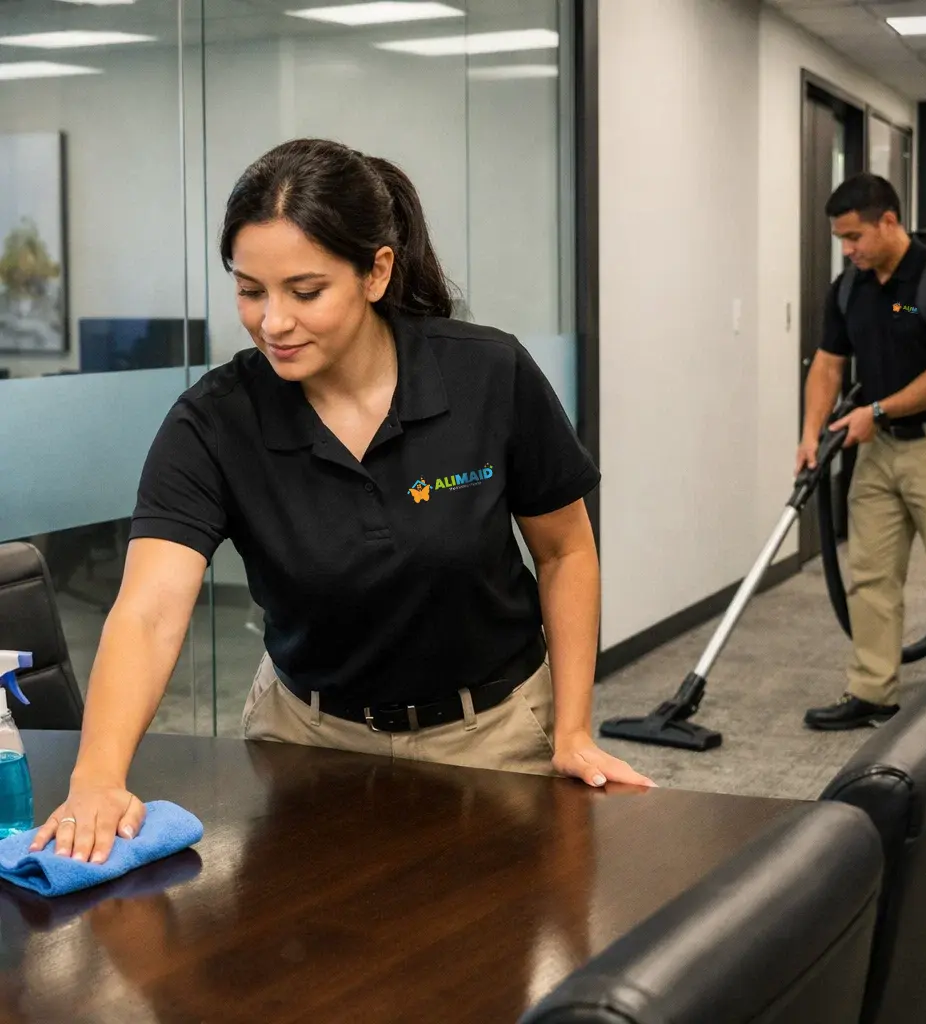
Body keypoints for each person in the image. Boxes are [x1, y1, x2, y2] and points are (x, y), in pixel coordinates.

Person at [31, 138, 654, 866]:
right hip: (307, 739)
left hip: (496, 734)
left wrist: (574, 729)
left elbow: (566, 551)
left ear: (376, 272)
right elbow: (147, 611)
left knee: (483, 961)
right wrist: (97, 779)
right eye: (249, 290)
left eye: (305, 291)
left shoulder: (488, 373)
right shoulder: (216, 421)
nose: (273, 323)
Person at [798, 172, 926, 731]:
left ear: (889, 221)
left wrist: (876, 412)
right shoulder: (849, 288)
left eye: (854, 236)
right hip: (879, 450)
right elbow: (829, 364)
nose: (847, 249)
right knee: (869, 575)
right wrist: (812, 433)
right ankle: (872, 691)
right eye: (841, 239)